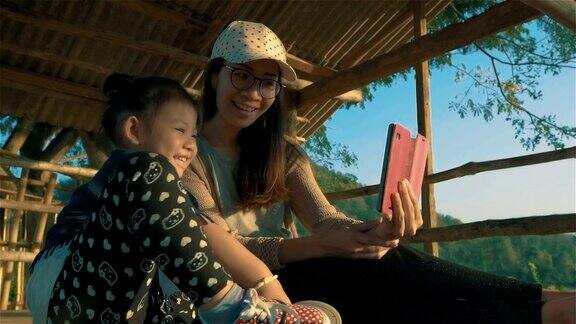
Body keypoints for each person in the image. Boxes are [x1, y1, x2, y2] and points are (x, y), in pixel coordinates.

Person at [182, 20, 575, 324]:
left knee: (381, 256)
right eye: (242, 75)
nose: (253, 93)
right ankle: (542, 306)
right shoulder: (186, 154)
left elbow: (325, 219)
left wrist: (375, 231)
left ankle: (540, 304)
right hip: (242, 288)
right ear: (216, 74)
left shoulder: (284, 153)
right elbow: (219, 247)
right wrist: (324, 246)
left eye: (267, 82)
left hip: (307, 268)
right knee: (370, 281)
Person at [29, 74, 339, 323]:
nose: (191, 145)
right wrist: (265, 288)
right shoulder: (133, 166)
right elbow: (210, 235)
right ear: (134, 130)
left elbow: (203, 239)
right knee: (157, 183)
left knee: (179, 287)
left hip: (121, 303)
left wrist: (279, 300)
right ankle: (235, 309)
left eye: (194, 134)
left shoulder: (170, 196)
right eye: (180, 130)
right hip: (69, 283)